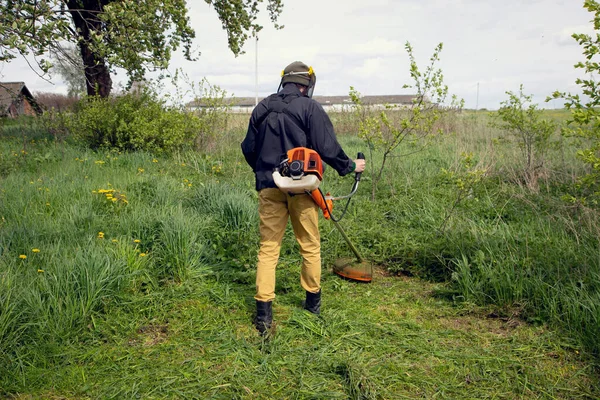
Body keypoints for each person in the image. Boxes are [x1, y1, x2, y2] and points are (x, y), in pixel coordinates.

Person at [241, 61, 366, 335]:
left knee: (268, 248)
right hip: (303, 188)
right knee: (309, 245)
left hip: (269, 188)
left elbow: (248, 148)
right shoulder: (309, 108)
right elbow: (327, 147)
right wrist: (349, 166)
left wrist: (265, 173)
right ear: (306, 84)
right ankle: (312, 306)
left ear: (284, 81)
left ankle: (263, 314)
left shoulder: (261, 108)